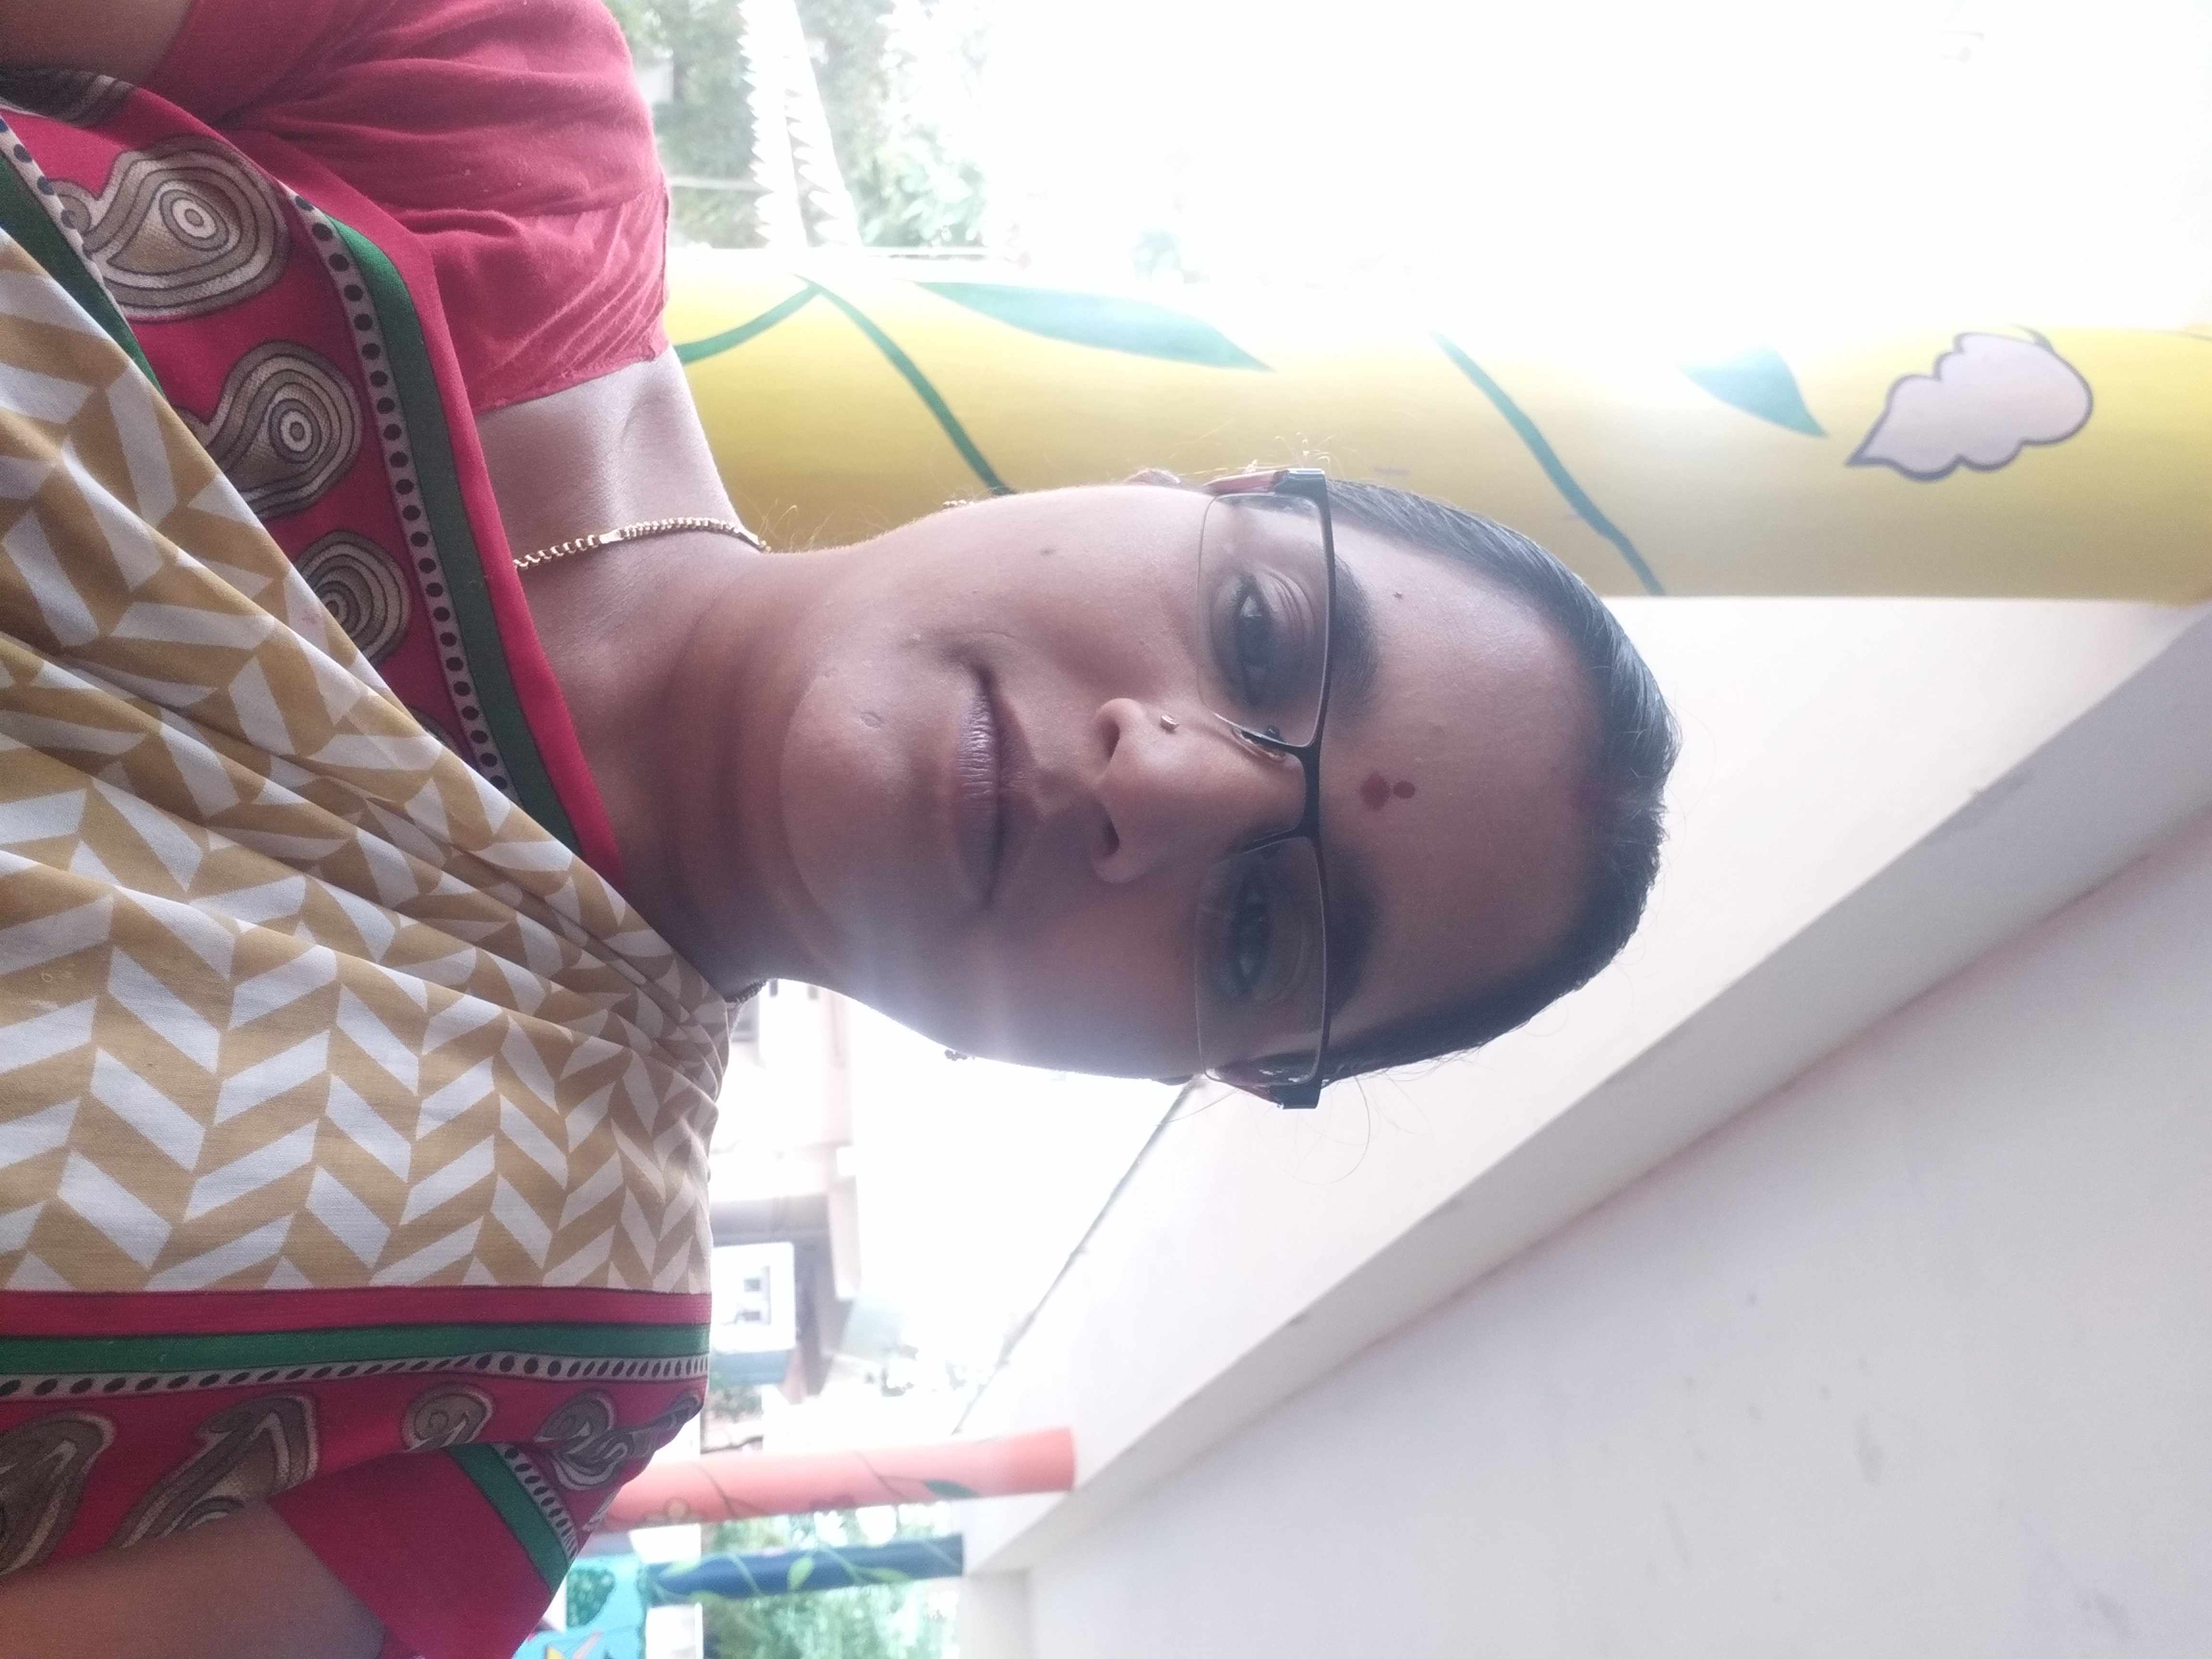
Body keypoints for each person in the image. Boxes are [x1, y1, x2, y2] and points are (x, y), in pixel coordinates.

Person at [0, 1, 1676, 1655]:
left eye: (1261, 931)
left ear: (1187, 1064)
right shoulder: (484, 111)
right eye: (1257, 636)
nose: (1159, 785)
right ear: (1189, 494)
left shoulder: (504, 1392)